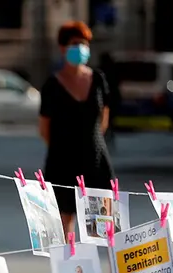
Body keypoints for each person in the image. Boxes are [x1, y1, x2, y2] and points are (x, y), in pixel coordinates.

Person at [39, 21, 113, 237]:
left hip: (95, 159)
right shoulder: (52, 85)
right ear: (62, 48)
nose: (81, 48)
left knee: (103, 225)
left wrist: (90, 141)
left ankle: (107, 271)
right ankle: (70, 269)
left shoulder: (98, 79)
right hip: (62, 161)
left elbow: (104, 120)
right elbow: (44, 128)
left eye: (84, 44)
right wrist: (64, 146)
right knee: (64, 222)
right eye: (75, 43)